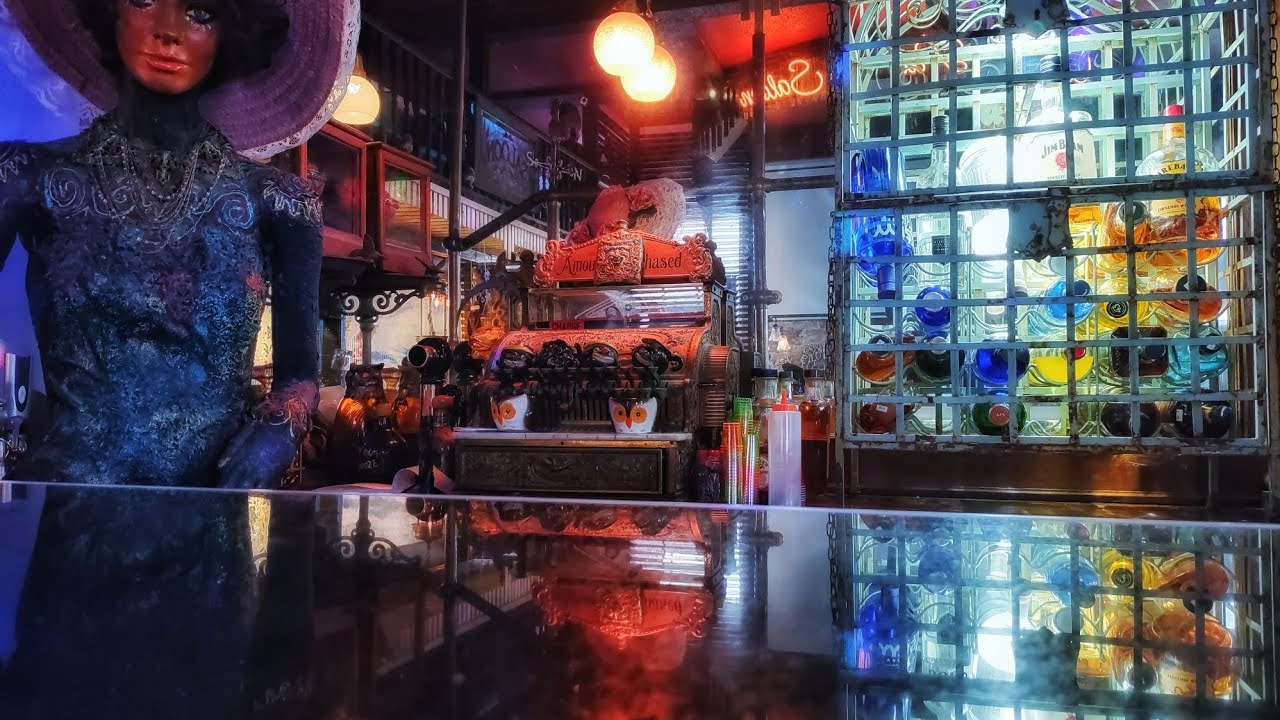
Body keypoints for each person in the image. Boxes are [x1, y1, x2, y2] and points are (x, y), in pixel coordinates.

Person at [0, 0, 358, 717]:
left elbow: (299, 376)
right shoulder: (31, 175)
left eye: (198, 10)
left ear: (233, 31)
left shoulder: (280, 202)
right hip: (71, 519)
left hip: (210, 520)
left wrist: (278, 428)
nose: (168, 29)